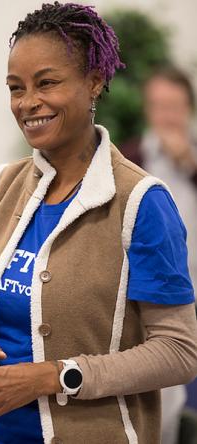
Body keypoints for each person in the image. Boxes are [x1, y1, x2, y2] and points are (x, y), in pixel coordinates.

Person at [0, 3, 197, 444]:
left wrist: (55, 377)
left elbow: (179, 352)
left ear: (94, 82)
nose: (28, 102)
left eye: (47, 83)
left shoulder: (142, 203)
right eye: (16, 87)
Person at [121, 66, 197, 444]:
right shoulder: (131, 157)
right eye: (159, 106)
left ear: (189, 109)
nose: (167, 115)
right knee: (159, 401)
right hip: (151, 301)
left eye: (175, 106)